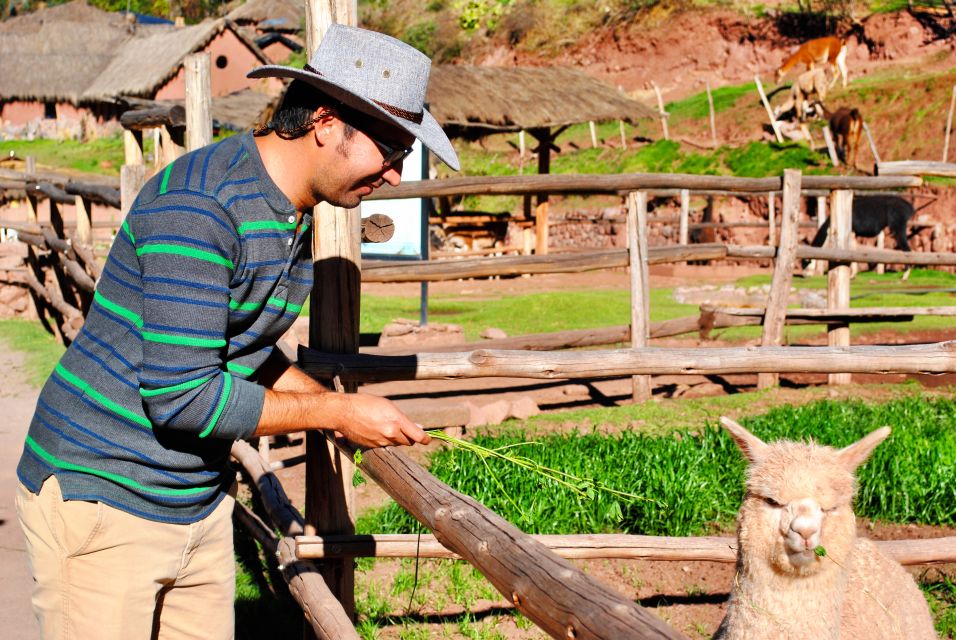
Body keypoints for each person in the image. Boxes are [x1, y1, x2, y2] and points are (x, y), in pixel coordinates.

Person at [15, 24, 459, 639]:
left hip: (193, 498)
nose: (393, 175)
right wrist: (334, 410)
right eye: (391, 152)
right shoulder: (202, 208)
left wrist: (341, 406)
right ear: (326, 124)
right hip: (105, 500)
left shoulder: (289, 208)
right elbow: (182, 396)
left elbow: (240, 343)